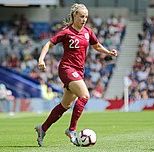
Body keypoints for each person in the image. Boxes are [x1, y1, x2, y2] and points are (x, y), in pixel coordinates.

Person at [35, 3, 118, 147]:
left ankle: (43, 128)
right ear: (74, 16)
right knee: (85, 96)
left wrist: (108, 52)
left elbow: (96, 46)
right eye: (81, 16)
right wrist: (41, 59)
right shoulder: (66, 32)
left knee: (65, 105)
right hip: (66, 69)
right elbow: (48, 44)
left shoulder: (88, 32)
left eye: (86, 16)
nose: (84, 19)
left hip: (79, 71)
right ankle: (71, 130)